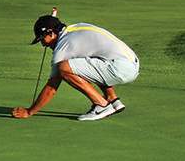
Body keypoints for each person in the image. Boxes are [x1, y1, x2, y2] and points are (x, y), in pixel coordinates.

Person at [11, 13, 140, 122]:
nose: (43, 44)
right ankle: (112, 99)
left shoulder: (63, 46)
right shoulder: (75, 29)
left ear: (51, 33)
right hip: (130, 63)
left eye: (42, 39)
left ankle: (102, 105)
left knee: (63, 68)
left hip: (120, 68)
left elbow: (52, 87)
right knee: (84, 62)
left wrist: (29, 111)